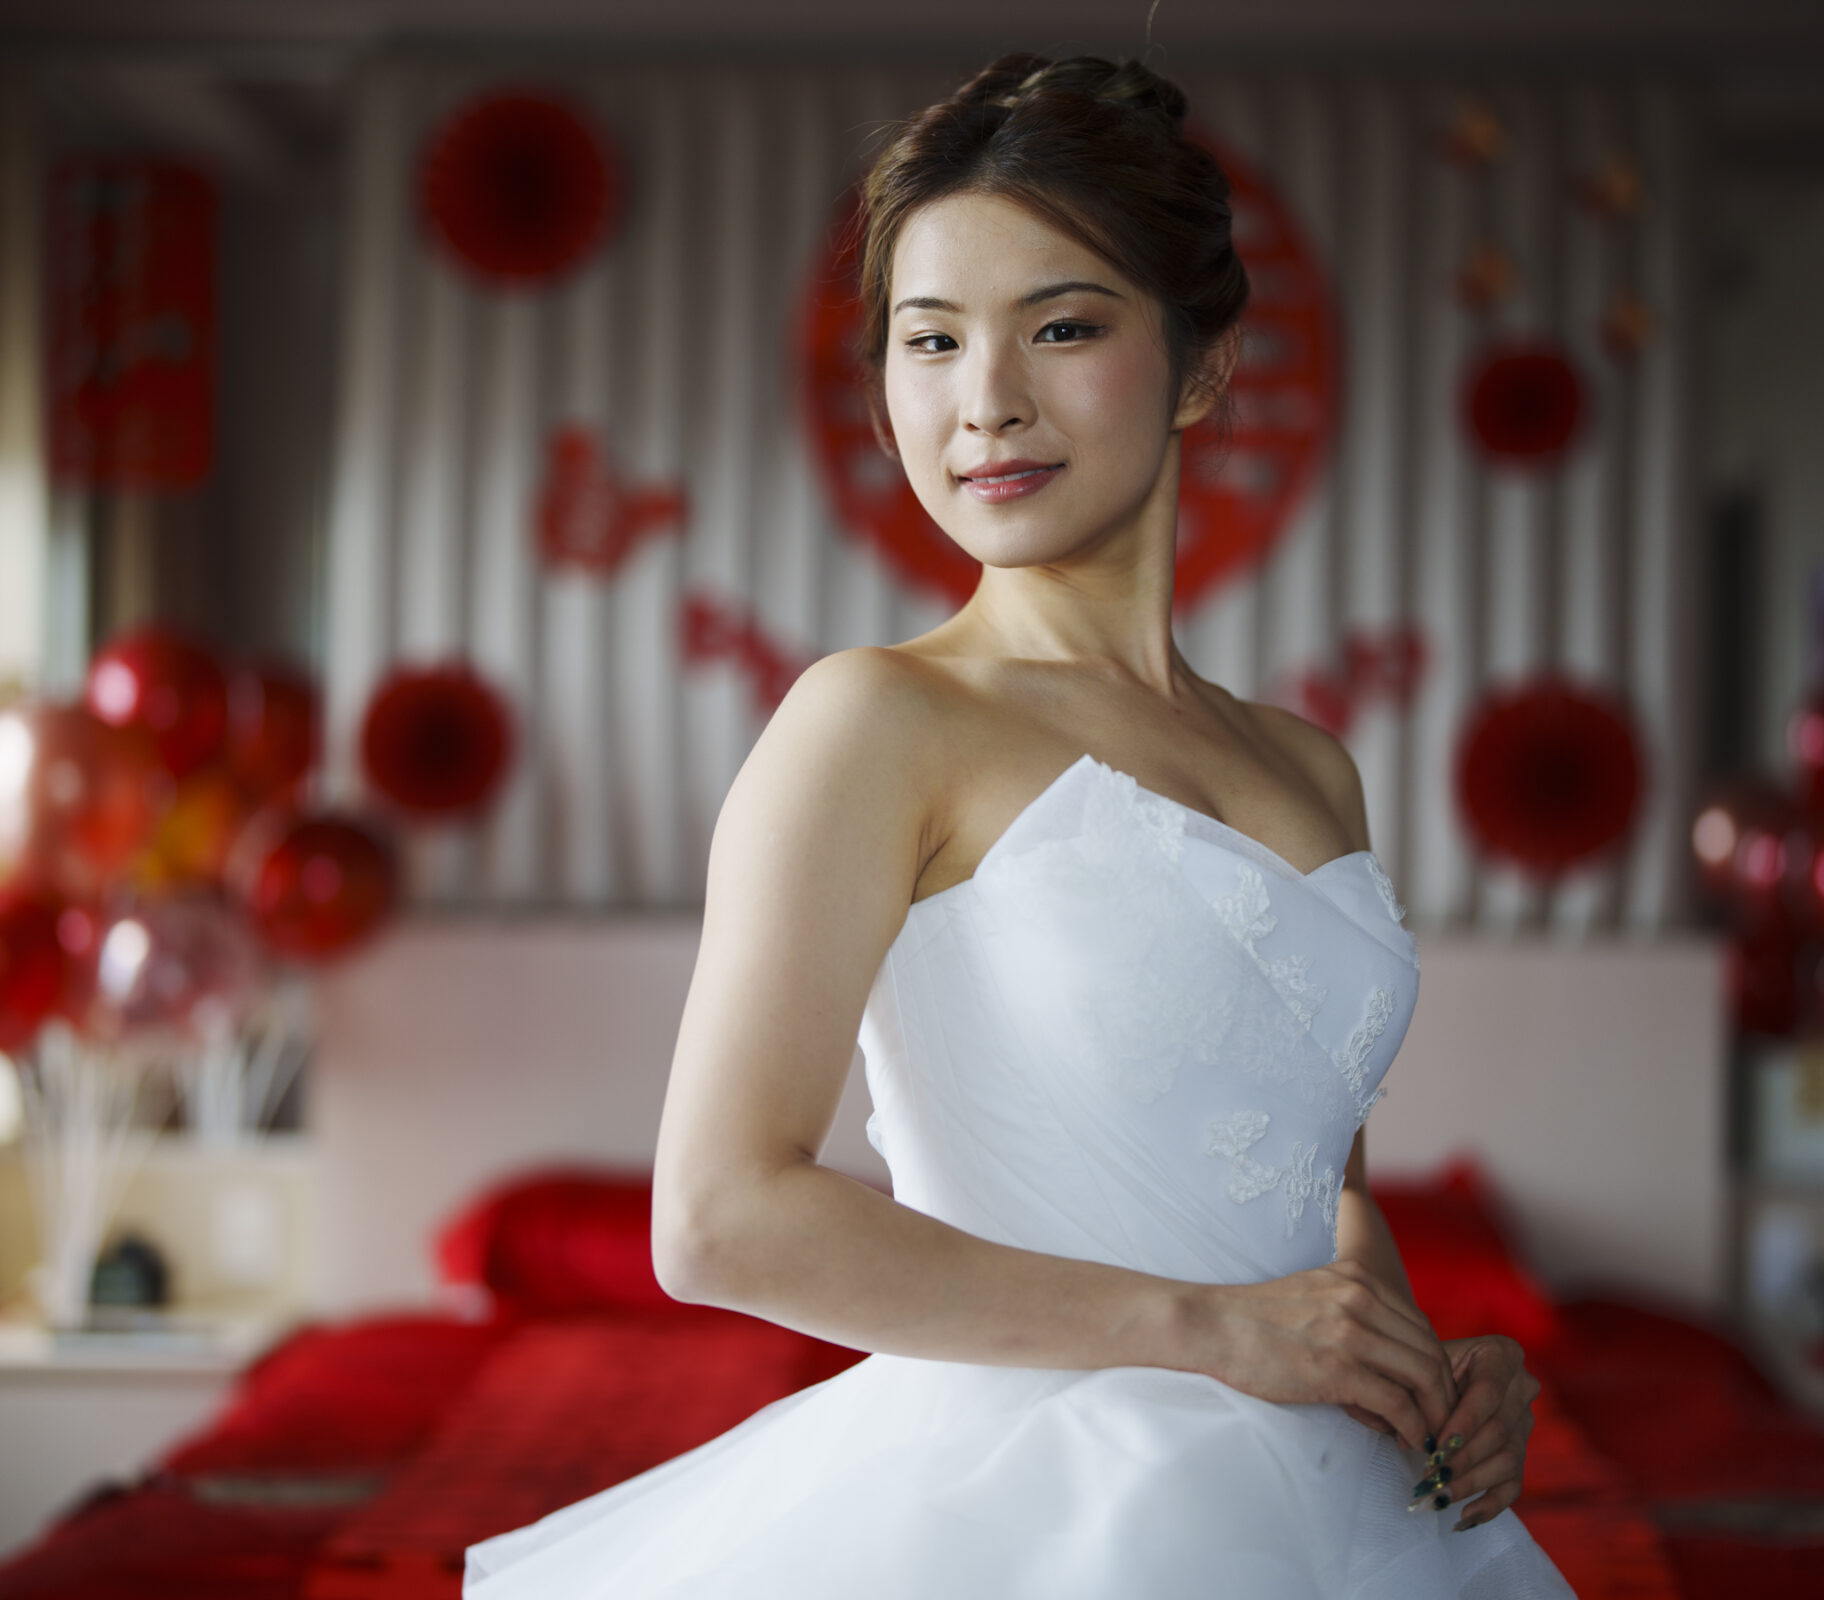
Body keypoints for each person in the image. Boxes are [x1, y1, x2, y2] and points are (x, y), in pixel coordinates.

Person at [465, 52, 1576, 1599]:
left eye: (1060, 327)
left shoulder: (1313, 773)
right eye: (929, 342)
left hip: (1340, 1505)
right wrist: (1204, 1331)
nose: (982, 402)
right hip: (1036, 1516)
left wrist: (1424, 1374)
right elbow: (717, 1221)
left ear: (1198, 367)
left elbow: (1317, 1199)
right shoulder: (874, 722)